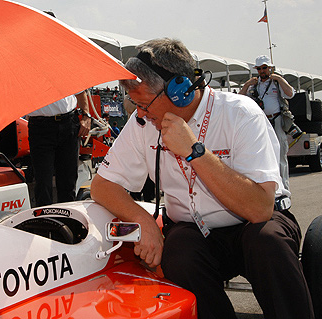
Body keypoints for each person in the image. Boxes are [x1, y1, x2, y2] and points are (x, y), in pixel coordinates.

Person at [91, 38, 313, 319]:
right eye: (136, 105)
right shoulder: (142, 123)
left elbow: (259, 209)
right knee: (179, 252)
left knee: (267, 242)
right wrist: (145, 222)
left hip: (254, 224)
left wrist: (195, 152)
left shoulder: (241, 113)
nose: (142, 114)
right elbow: (102, 185)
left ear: (180, 90)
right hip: (194, 230)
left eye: (145, 104)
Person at [239, 55, 295, 191]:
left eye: (264, 68)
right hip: (261, 123)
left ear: (270, 68)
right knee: (263, 156)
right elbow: (239, 99)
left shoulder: (276, 82)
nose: (262, 71)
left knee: (281, 155)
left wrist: (280, 79)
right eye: (259, 68)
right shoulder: (254, 85)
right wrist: (247, 85)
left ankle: (285, 190)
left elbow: (290, 94)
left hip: (276, 120)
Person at [27, 92, 91, 206]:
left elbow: (80, 91)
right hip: (40, 128)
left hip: (69, 123)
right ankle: (45, 221)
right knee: (43, 183)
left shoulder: (65, 73)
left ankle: (68, 220)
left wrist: (86, 115)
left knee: (68, 182)